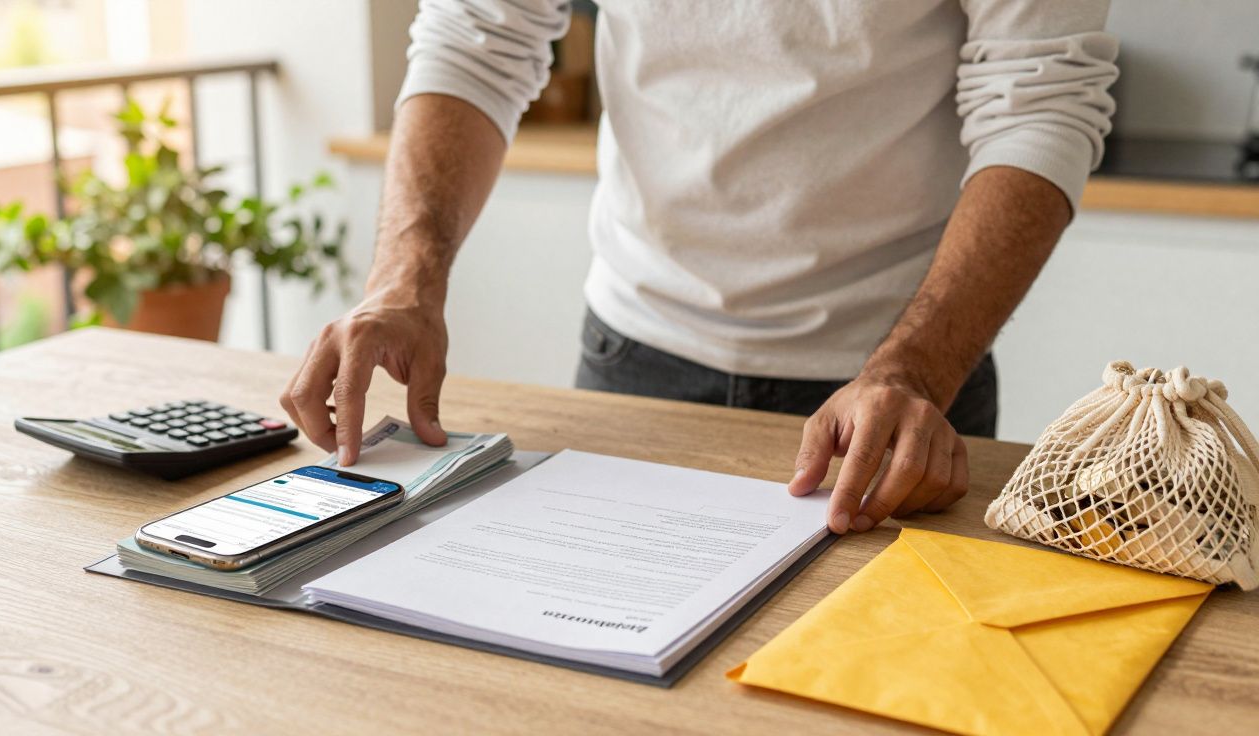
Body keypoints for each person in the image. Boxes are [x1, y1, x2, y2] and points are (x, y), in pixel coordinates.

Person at [281, 1, 1117, 535]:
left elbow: (1039, 100)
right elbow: (476, 38)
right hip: (633, 359)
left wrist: (914, 372)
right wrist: (405, 282)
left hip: (899, 396)